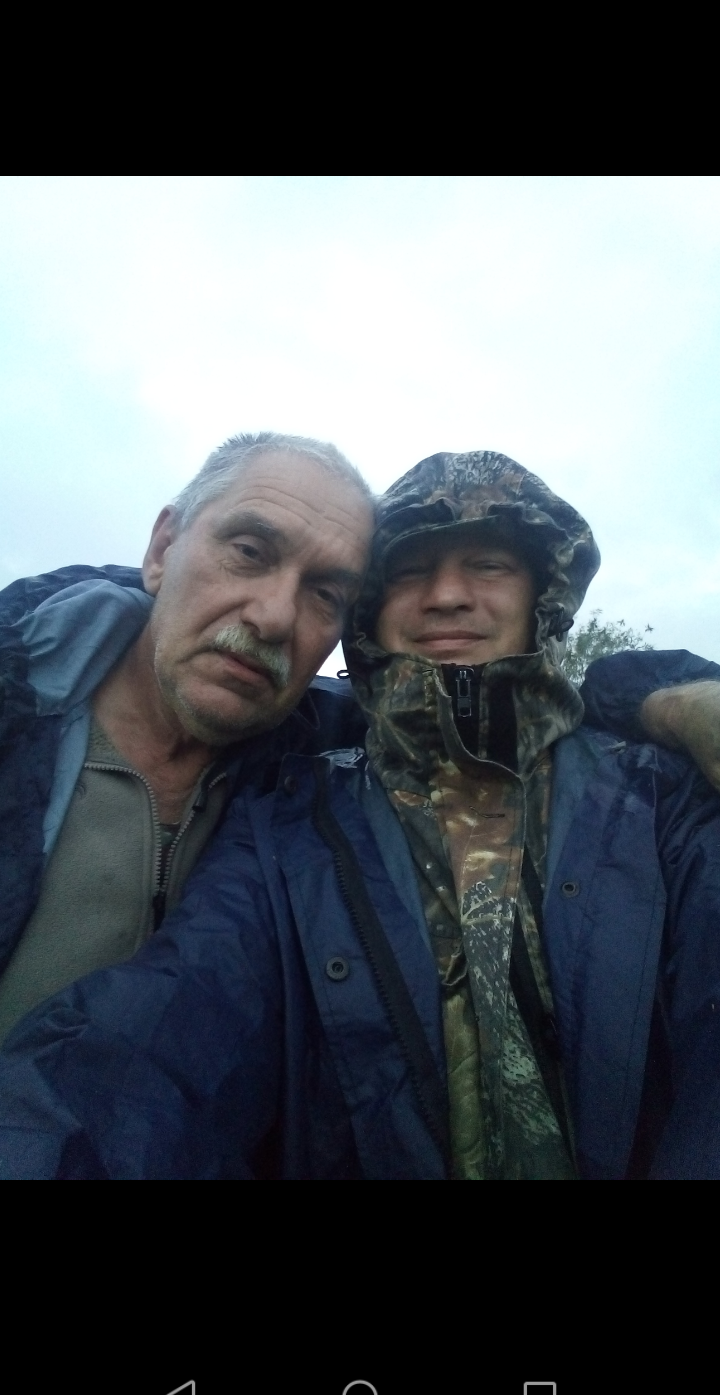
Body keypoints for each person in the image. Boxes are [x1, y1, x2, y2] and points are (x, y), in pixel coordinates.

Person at [1, 448, 719, 1180]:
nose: (447, 595)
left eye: (489, 565)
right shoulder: (298, 813)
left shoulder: (662, 798)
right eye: (409, 571)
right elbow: (161, 1042)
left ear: (545, 592)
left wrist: (675, 696)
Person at [0, 432, 373, 1043]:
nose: (274, 617)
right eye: (249, 551)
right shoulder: (14, 706)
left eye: (326, 594)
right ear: (162, 550)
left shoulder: (331, 780)